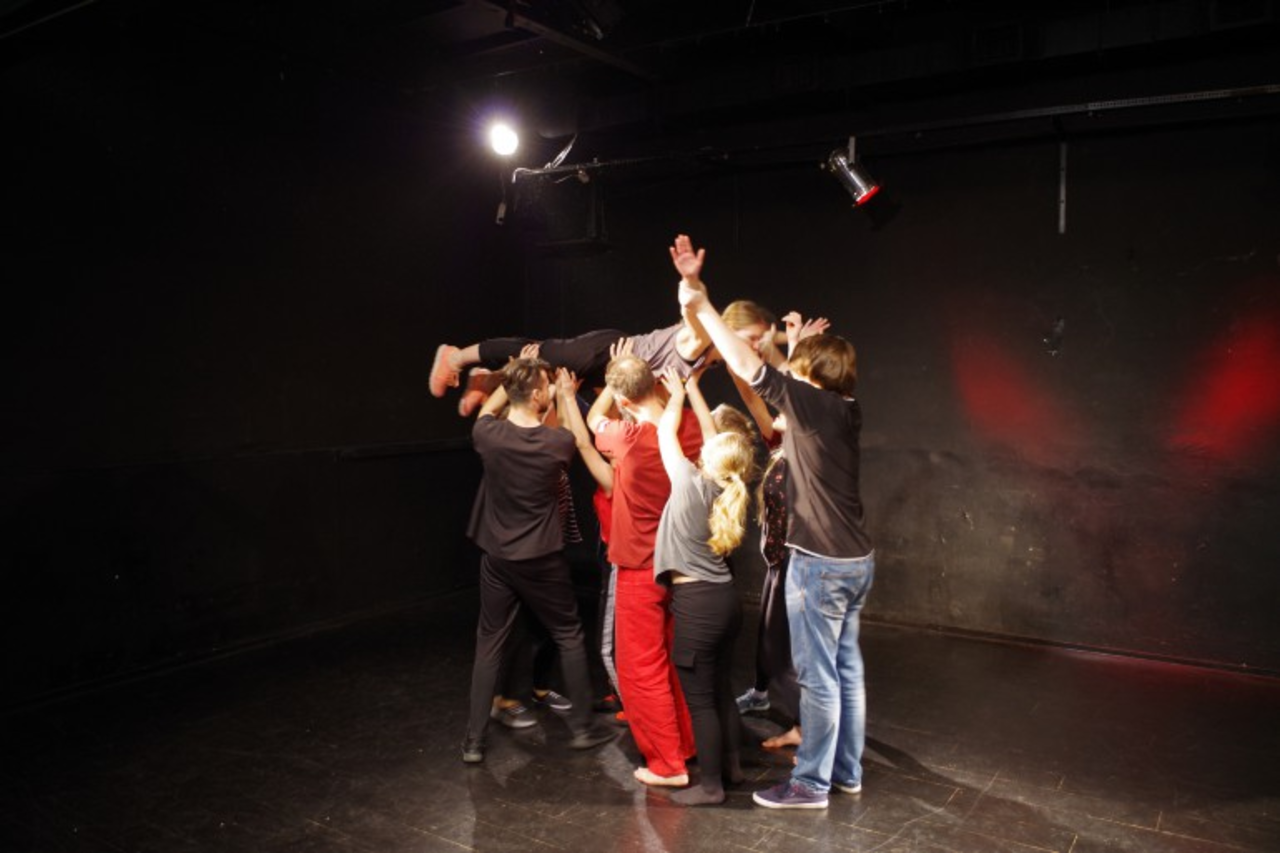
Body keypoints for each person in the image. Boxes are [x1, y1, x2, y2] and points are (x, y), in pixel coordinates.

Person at [673, 234, 875, 810]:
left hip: (821, 563)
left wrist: (702, 301)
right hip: (856, 560)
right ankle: (847, 772)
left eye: (800, 368)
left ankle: (810, 784)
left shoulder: (812, 406)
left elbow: (748, 366)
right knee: (846, 671)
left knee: (819, 678)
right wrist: (797, 352)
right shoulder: (844, 408)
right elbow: (787, 382)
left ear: (811, 376)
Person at [460, 357, 615, 763]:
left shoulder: (487, 435)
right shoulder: (554, 443)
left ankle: (474, 741)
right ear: (535, 395)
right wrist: (566, 397)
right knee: (568, 634)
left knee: (489, 644)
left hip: (498, 558)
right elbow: (578, 438)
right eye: (544, 386)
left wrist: (515, 372)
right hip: (541, 560)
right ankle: (583, 729)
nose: (549, 390)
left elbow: (490, 408)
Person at [589, 349, 703, 787]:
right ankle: (685, 745)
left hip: (639, 564)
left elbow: (592, 421)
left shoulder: (625, 436)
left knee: (641, 669)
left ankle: (667, 765)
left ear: (622, 399)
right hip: (682, 563)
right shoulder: (688, 426)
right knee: (673, 662)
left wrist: (611, 386)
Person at [653, 368, 757, 805]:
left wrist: (676, 396)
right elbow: (714, 438)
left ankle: (711, 786)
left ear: (709, 457)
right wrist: (692, 389)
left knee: (700, 702)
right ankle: (733, 769)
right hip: (726, 601)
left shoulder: (688, 483)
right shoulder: (728, 489)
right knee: (721, 690)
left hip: (697, 605)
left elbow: (664, 432)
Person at [429, 300, 780, 415]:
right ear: (729, 327)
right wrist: (690, 283)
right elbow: (694, 311)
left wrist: (778, 340)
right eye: (751, 339)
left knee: (542, 377)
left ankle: (486, 378)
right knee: (533, 353)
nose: (754, 348)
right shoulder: (697, 340)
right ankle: (456, 357)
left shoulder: (712, 359)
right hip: (606, 351)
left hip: (614, 372)